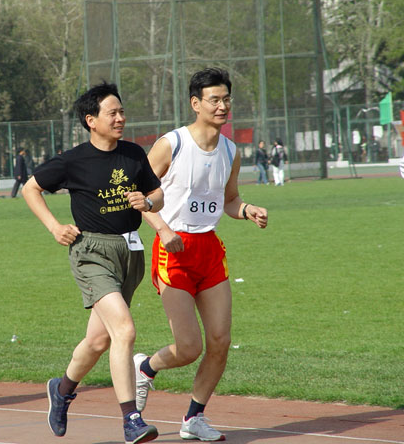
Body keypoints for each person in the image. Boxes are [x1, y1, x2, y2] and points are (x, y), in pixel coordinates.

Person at [22, 82, 163, 444]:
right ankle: (131, 420)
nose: (120, 118)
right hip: (91, 253)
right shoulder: (73, 160)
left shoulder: (133, 154)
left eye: (122, 112)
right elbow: (30, 188)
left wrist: (148, 203)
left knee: (98, 340)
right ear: (91, 120)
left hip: (130, 252)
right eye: (112, 113)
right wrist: (55, 227)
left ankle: (62, 390)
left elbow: (157, 193)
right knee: (124, 331)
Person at [133, 68, 268, 442]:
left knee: (220, 341)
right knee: (189, 347)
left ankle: (194, 418)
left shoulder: (230, 150)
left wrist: (248, 210)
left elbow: (229, 200)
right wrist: (163, 229)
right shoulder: (171, 144)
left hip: (209, 250)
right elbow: (138, 197)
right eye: (214, 99)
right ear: (196, 103)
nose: (222, 106)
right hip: (173, 250)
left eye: (226, 99)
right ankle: (145, 368)